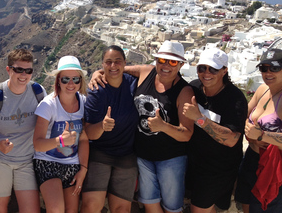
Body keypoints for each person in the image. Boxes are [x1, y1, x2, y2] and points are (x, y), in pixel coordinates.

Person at [90, 40, 194, 213]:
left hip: (170, 159)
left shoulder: (184, 91)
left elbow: (187, 134)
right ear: (156, 60)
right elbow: (116, 68)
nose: (166, 65)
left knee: (172, 207)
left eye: (173, 62)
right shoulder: (146, 72)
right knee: (149, 202)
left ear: (181, 64)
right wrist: (97, 72)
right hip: (143, 156)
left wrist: (163, 126)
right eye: (162, 60)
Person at [0, 48, 46, 213]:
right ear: (8, 70)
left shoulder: (38, 92)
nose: (23, 75)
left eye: (28, 70)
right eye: (18, 69)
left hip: (26, 161)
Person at [182, 48, 248, 213]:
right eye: (202, 68)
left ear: (224, 70)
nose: (206, 73)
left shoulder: (234, 99)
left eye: (213, 69)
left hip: (217, 171)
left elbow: (232, 139)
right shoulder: (194, 88)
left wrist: (199, 118)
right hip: (193, 165)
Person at [81, 45, 138, 213]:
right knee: (91, 206)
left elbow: (150, 69)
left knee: (122, 209)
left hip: (127, 154)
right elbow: (89, 131)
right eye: (109, 62)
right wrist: (102, 126)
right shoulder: (96, 91)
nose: (113, 66)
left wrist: (98, 72)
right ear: (103, 64)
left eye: (117, 61)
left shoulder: (134, 84)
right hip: (100, 153)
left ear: (125, 63)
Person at [33, 55, 89, 213]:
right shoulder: (48, 105)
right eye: (65, 79)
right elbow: (37, 143)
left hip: (72, 165)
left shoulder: (84, 102)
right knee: (56, 209)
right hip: (47, 162)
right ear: (58, 80)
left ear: (81, 81)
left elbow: (84, 139)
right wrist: (60, 141)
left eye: (75, 79)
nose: (71, 84)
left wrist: (83, 170)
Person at [238, 48, 282, 212]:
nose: (268, 72)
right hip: (252, 159)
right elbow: (243, 116)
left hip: (273, 169)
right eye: (264, 68)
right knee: (246, 205)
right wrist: (249, 132)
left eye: (275, 68)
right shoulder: (263, 90)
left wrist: (262, 135)